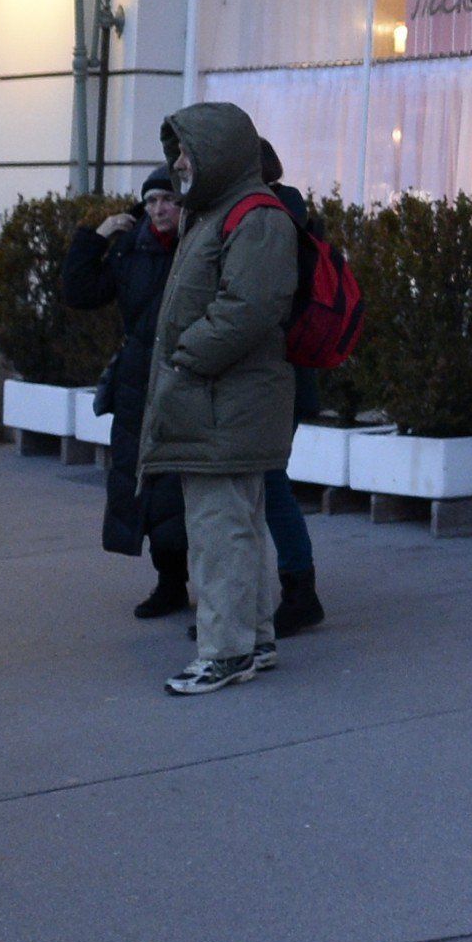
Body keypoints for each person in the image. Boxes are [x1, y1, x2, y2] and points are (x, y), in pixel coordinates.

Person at [143, 102, 302, 696]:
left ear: (218, 150)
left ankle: (226, 650)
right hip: (222, 399)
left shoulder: (253, 216)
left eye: (186, 149)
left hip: (222, 398)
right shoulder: (219, 213)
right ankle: (253, 639)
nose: (178, 162)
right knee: (238, 524)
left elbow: (249, 309)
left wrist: (188, 357)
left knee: (218, 532)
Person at [64, 167, 186, 615]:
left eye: (168, 200)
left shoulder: (198, 247)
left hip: (183, 377)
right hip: (137, 381)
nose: (159, 209)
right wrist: (96, 236)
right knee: (143, 484)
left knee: (179, 487)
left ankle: (191, 579)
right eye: (152, 201)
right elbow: (79, 292)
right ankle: (168, 582)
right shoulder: (130, 249)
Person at [250, 141, 325, 638]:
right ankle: (278, 594)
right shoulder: (289, 215)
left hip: (274, 374)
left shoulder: (273, 221)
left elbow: (257, 304)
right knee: (263, 484)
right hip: (287, 372)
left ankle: (297, 593)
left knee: (266, 483)